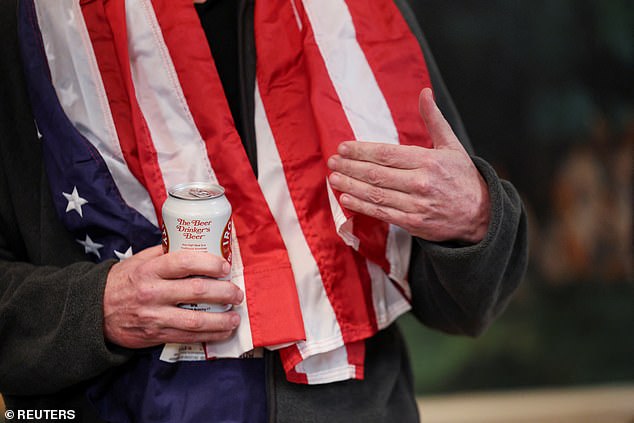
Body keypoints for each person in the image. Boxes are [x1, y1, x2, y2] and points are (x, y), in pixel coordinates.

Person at [0, 0, 528, 422]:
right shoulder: (31, 23)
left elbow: (466, 305)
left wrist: (476, 218)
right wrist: (95, 309)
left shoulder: (357, 14)